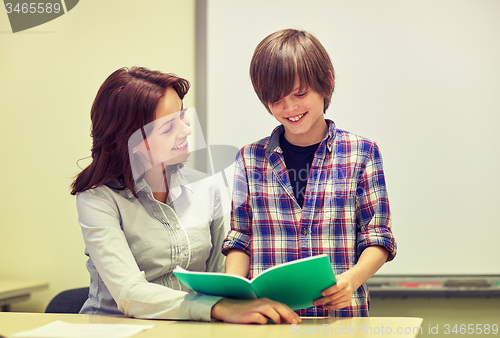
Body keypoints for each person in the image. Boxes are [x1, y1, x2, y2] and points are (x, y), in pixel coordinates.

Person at [71, 66, 301, 324]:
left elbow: (217, 280)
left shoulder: (205, 188)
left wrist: (240, 302)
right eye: (168, 128)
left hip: (189, 329)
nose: (186, 131)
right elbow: (129, 294)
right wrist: (217, 308)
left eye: (183, 115)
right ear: (133, 141)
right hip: (115, 329)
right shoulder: (97, 199)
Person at [222, 29, 397, 317]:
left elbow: (378, 236)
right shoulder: (250, 158)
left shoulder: (361, 153)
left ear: (326, 83)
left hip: (341, 319)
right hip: (270, 320)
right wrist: (237, 291)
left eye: (300, 94)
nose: (289, 108)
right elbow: (240, 237)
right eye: (276, 100)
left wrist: (350, 281)